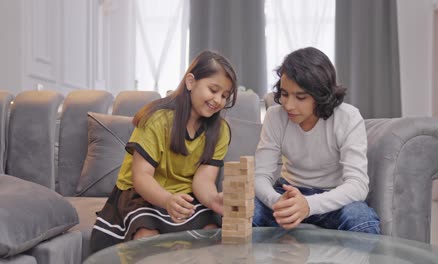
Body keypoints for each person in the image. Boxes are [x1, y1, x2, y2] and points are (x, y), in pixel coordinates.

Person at [90, 50, 238, 253]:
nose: (218, 100)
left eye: (224, 96)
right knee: (147, 236)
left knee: (210, 234)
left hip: (186, 195)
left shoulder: (220, 131)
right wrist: (167, 200)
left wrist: (214, 200)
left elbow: (203, 180)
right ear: (190, 82)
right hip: (143, 192)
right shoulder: (158, 120)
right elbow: (141, 177)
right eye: (213, 90)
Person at [253, 47, 380, 234]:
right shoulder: (275, 116)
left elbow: (358, 184)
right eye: (285, 94)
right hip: (287, 194)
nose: (288, 105)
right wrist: (277, 201)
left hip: (334, 197)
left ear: (321, 95)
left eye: (300, 97)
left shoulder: (348, 118)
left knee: (361, 219)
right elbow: (260, 175)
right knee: (246, 211)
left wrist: (308, 205)